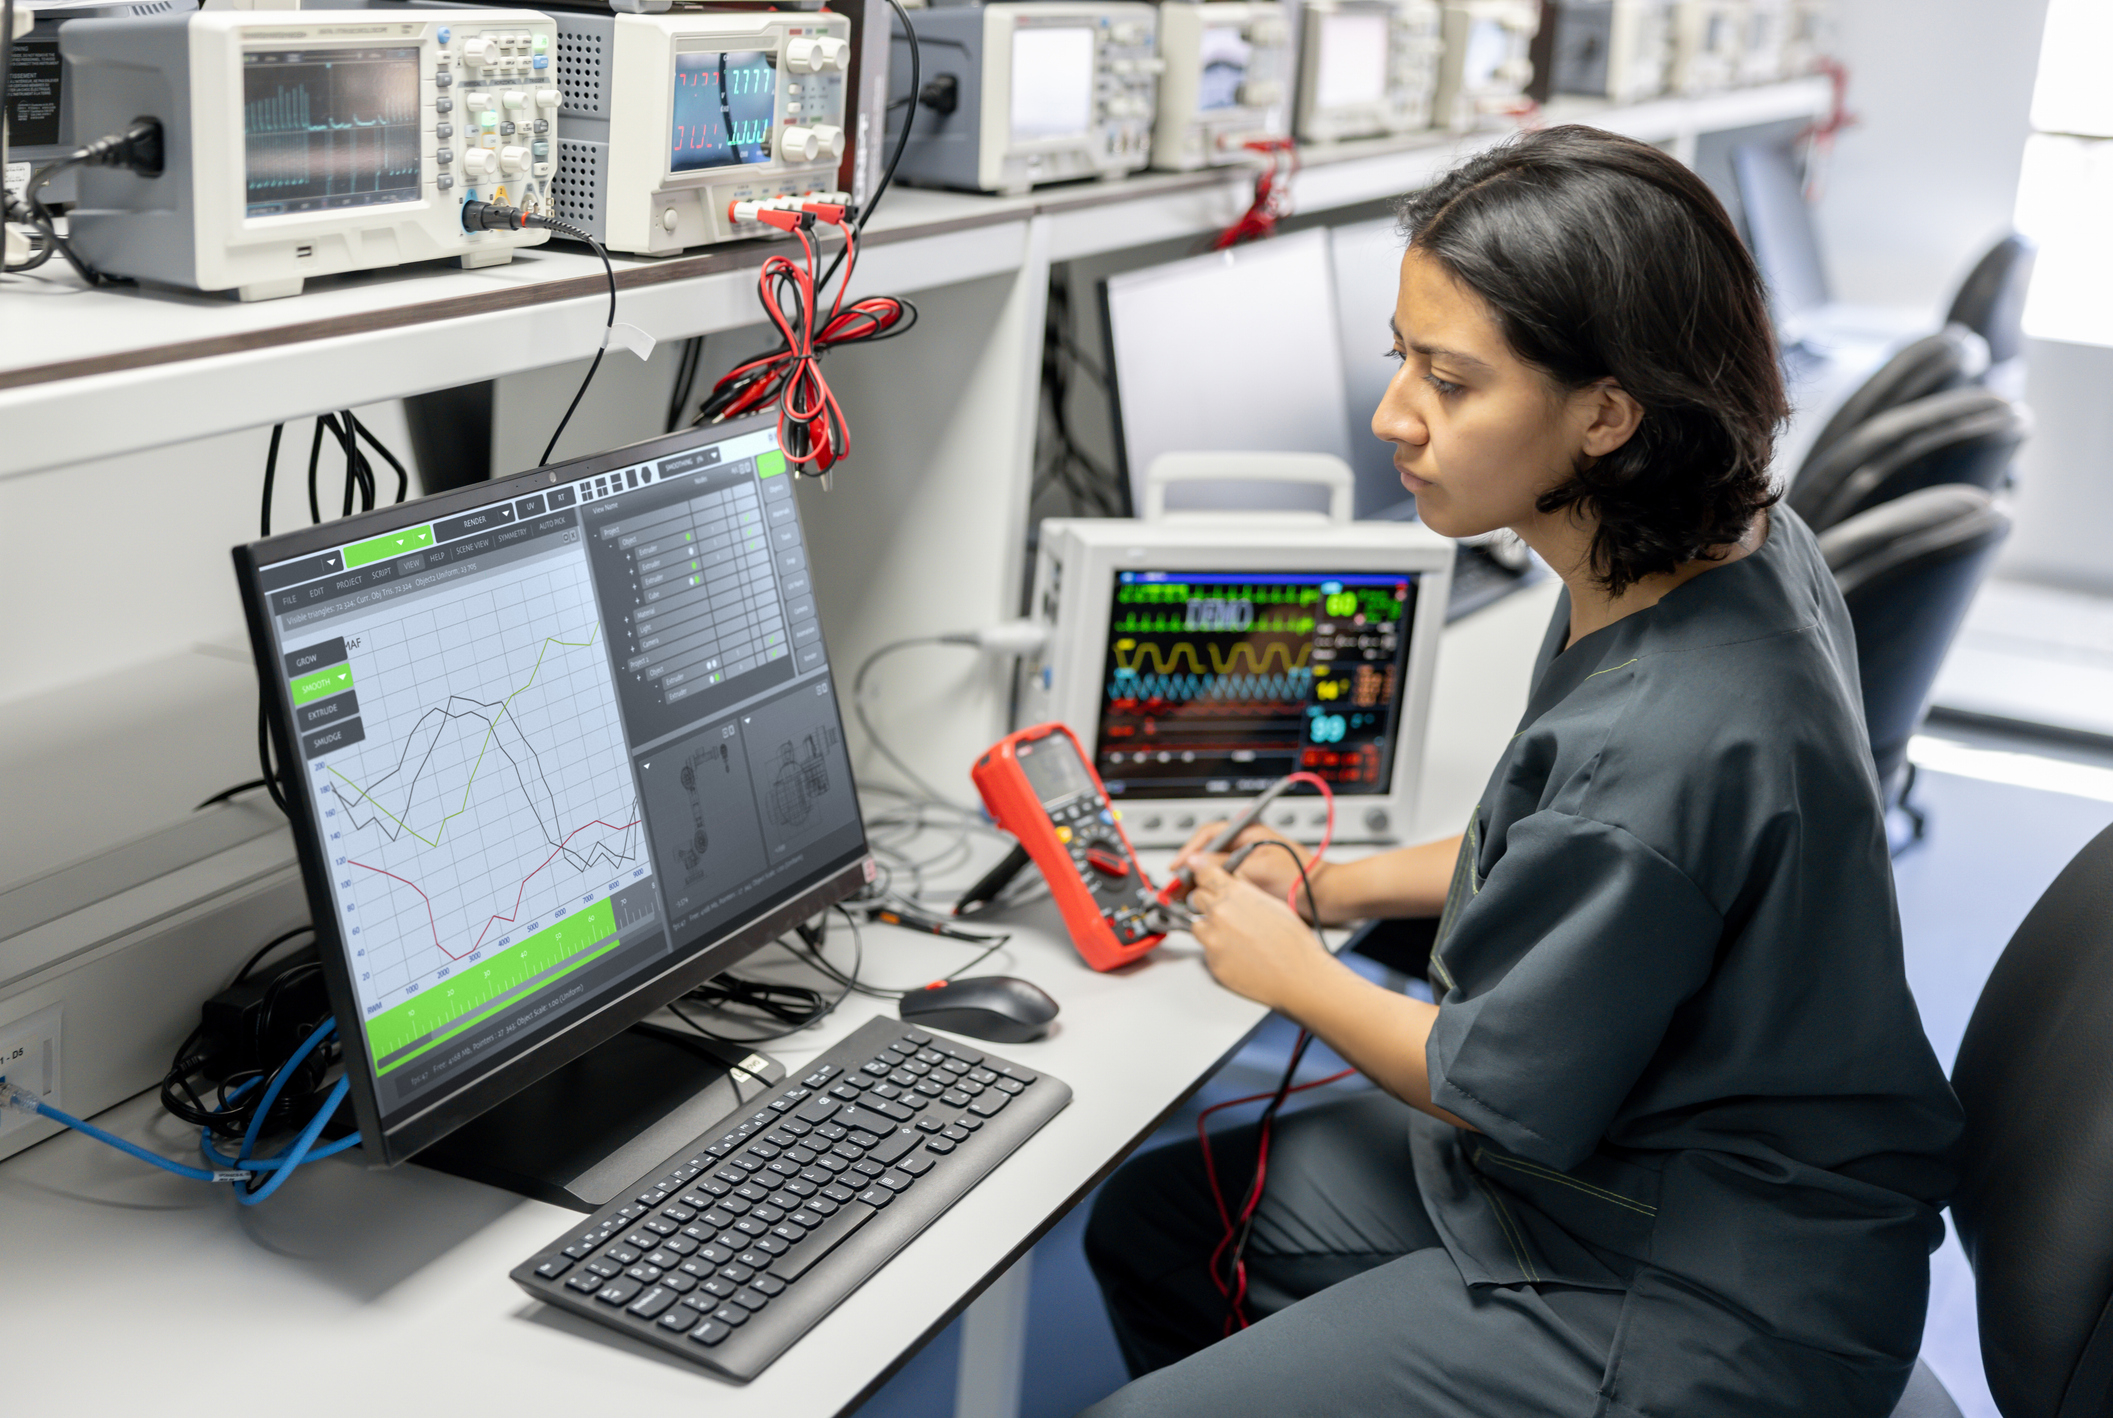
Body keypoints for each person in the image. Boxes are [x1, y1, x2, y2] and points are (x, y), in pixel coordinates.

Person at [1081, 126, 1964, 1417]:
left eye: (1448, 381)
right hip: (1658, 1170)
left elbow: (1487, 1083)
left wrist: (1290, 969)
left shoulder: (1670, 726)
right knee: (1163, 1219)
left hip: (1696, 1290)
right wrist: (1331, 884)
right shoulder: (1712, 549)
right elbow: (1567, 838)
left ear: (1605, 413)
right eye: (1402, 360)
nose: (1394, 415)